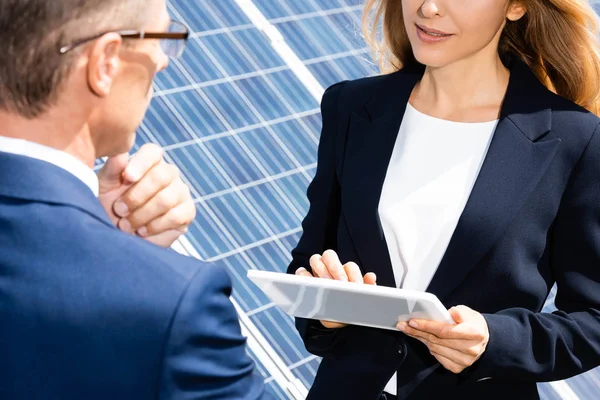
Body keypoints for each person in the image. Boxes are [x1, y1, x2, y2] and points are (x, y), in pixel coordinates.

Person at [288, 0, 600, 399]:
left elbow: (593, 317)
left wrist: (495, 339)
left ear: (517, 6)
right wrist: (324, 309)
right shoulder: (350, 106)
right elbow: (308, 260)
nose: (429, 8)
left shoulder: (576, 140)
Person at [0, 0, 265, 399]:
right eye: (160, 38)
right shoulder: (174, 309)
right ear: (105, 62)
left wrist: (98, 233)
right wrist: (124, 265)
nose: (162, 62)